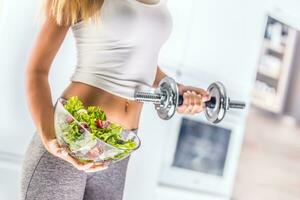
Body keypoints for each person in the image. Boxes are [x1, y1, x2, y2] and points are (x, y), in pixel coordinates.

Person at [20, 0, 210, 199]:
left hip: (118, 149)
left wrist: (175, 89)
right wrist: (50, 139)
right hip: (71, 140)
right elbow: (36, 72)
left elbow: (136, 58)